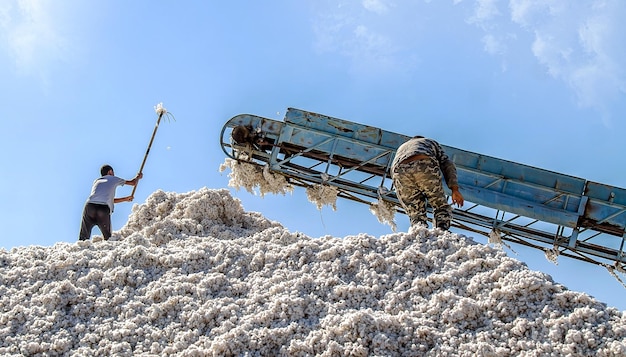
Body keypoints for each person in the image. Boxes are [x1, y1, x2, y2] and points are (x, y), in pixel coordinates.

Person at [391, 136, 464, 230]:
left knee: (415, 212)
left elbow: (393, 170)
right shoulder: (430, 142)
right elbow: (447, 164)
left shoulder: (402, 147)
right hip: (423, 164)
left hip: (399, 171)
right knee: (440, 205)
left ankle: (419, 231)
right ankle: (441, 230)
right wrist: (454, 189)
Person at [79, 164, 143, 241]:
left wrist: (126, 198)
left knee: (83, 237)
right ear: (110, 172)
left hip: (90, 206)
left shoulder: (97, 181)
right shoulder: (113, 178)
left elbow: (107, 199)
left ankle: (79, 248)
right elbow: (133, 183)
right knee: (108, 238)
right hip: (103, 209)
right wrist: (138, 177)